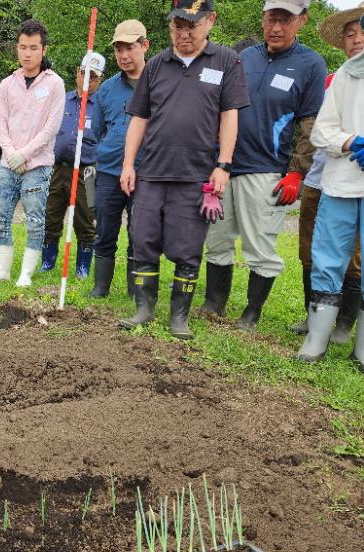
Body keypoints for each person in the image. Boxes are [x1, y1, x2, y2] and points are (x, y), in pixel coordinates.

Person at [118, 0, 249, 339]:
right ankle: (144, 308)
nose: (183, 32)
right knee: (143, 239)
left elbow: (229, 116)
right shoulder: (156, 65)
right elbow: (139, 118)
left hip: (196, 175)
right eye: (177, 25)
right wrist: (129, 164)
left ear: (210, 22)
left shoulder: (227, 61)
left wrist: (224, 165)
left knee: (187, 247)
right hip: (152, 172)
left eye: (191, 24)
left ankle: (179, 316)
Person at [202, 0, 327, 331]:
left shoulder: (311, 64)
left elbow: (310, 124)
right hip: (224, 166)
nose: (276, 27)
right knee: (217, 239)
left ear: (302, 20)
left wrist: (297, 172)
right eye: (272, 18)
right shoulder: (241, 57)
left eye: (285, 20)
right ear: (263, 18)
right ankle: (214, 303)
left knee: (260, 247)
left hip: (267, 169)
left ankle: (252, 313)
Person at [291, 2, 364, 342]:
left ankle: (346, 325)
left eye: (361, 32)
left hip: (354, 184)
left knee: (353, 257)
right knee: (314, 251)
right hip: (321, 177)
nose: (356, 39)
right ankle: (314, 318)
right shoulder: (334, 80)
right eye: (350, 34)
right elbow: (315, 131)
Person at [0, 19, 65, 287]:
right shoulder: (7, 84)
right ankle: (2, 269)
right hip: (8, 162)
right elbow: (0, 122)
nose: (27, 53)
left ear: (44, 49)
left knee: (34, 218)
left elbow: (51, 127)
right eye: (22, 47)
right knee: (0, 215)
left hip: (38, 165)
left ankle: (26, 274)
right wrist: (10, 152)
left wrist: (26, 154)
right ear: (16, 48)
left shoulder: (54, 84)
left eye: (33, 47)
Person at [89, 20, 150, 298]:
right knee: (104, 231)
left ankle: (135, 292)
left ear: (144, 46)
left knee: (140, 236)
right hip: (109, 173)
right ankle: (100, 288)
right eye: (118, 49)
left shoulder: (160, 84)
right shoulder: (107, 89)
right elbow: (98, 129)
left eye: (130, 48)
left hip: (146, 173)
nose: (124, 55)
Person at [38, 52, 104, 278]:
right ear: (77, 72)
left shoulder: (102, 105)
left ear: (100, 79)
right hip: (58, 168)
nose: (87, 79)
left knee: (86, 218)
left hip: (89, 172)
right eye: (84, 73)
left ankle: (82, 267)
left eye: (93, 76)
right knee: (51, 215)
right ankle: (47, 261)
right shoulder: (63, 100)